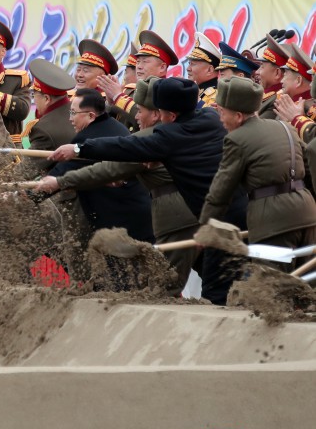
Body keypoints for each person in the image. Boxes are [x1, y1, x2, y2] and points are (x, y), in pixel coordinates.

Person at [49, 78, 248, 305]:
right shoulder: (210, 118)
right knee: (226, 278)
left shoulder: (167, 138)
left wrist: (73, 155)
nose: (135, 115)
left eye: (142, 110)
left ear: (169, 116)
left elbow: (117, 156)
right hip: (235, 210)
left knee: (179, 289)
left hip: (201, 220)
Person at [37, 77, 199, 289]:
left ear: (159, 114)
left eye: (140, 110)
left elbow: (110, 168)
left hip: (168, 218)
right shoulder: (198, 124)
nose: (136, 116)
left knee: (165, 285)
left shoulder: (156, 138)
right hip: (185, 213)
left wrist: (61, 179)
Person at [202, 77, 316, 270]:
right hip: (307, 215)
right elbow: (308, 170)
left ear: (238, 116)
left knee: (271, 285)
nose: (220, 120)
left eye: (222, 113)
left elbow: (221, 189)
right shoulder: (286, 127)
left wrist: (206, 225)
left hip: (273, 222)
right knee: (306, 287)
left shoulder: (237, 138)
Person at [46, 88, 154, 243]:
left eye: (73, 113)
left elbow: (58, 176)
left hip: (122, 222)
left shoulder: (86, 138)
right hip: (135, 215)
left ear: (91, 116)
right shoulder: (114, 126)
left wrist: (21, 196)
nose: (70, 119)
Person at [18, 58, 75, 175]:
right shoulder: (78, 111)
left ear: (46, 99)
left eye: (34, 95)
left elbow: (24, 171)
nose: (34, 100)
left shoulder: (44, 129)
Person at [252, 33, 288, 120]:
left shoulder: (277, 101)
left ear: (277, 73)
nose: (257, 72)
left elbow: (257, 129)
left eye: (262, 67)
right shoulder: (265, 95)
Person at [184, 32, 220, 108]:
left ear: (210, 70)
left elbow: (204, 118)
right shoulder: (198, 90)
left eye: (193, 64)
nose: (188, 68)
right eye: (189, 63)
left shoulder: (218, 96)